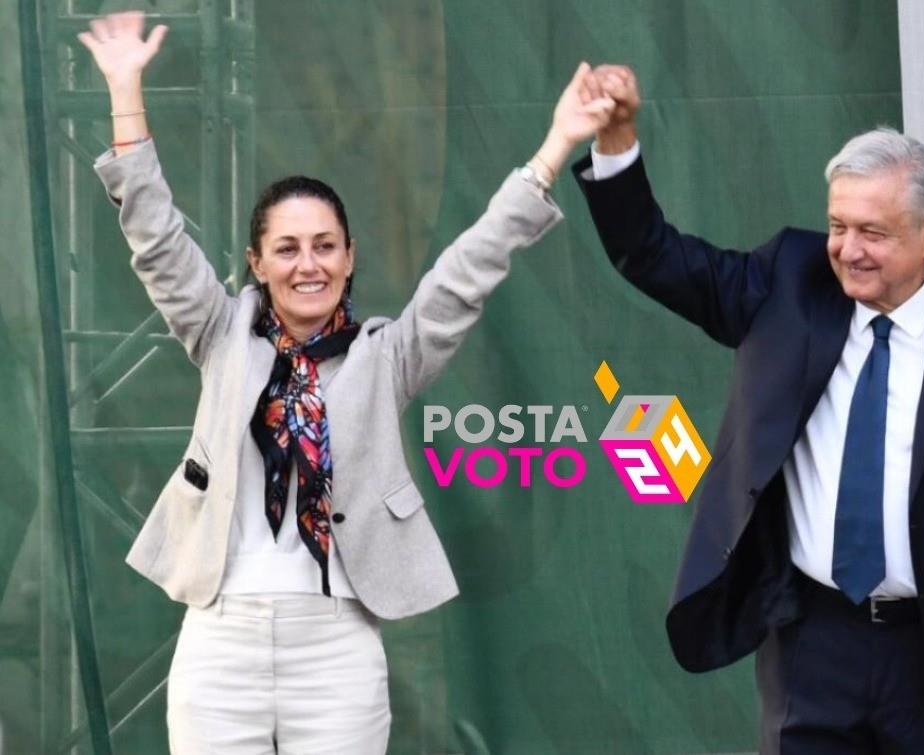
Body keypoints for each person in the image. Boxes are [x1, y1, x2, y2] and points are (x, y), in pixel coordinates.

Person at [78, 11, 615, 753]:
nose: (309, 264)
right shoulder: (219, 329)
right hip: (220, 639)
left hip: (336, 647)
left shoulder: (386, 354)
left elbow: (470, 266)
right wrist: (124, 90)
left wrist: (556, 145)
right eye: (288, 248)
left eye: (325, 246)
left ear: (350, 257)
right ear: (257, 262)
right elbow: (156, 238)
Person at [569, 64, 924, 754]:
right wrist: (617, 137)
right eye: (838, 225)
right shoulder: (789, 282)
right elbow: (651, 253)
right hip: (812, 644)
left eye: (873, 231)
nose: (847, 249)